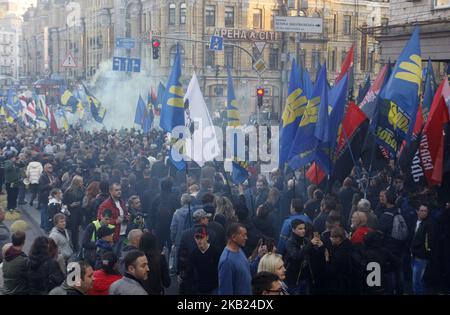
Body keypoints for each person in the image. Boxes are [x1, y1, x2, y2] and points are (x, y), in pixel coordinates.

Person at [184, 226, 221, 295]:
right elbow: (189, 272)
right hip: (199, 289)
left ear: (207, 237)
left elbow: (221, 270)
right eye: (197, 238)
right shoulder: (194, 254)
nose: (199, 240)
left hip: (214, 288)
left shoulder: (216, 252)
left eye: (201, 237)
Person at [218, 223, 252, 295]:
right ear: (233, 237)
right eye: (243, 235)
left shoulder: (239, 250)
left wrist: (258, 257)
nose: (246, 238)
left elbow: (246, 270)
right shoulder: (226, 262)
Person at [97, 183, 130, 255]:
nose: (119, 191)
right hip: (113, 236)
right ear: (110, 191)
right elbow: (101, 220)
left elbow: (125, 214)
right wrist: (115, 221)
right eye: (116, 190)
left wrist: (127, 217)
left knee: (122, 258)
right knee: (112, 257)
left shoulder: (122, 202)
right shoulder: (105, 204)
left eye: (120, 190)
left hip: (124, 234)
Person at [411, 204, 434, 295]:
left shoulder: (429, 224)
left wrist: (424, 252)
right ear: (417, 211)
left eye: (425, 211)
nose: (423, 212)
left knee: (416, 281)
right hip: (413, 255)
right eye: (421, 210)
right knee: (418, 281)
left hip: (421, 257)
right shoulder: (414, 222)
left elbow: (429, 241)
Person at [324, 227, 353, 294]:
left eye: (331, 237)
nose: (330, 238)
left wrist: (327, 259)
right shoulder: (348, 244)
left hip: (339, 284)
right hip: (348, 280)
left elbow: (331, 270)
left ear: (338, 238)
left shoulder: (339, 254)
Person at [63, 175, 85, 252]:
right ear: (77, 182)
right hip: (72, 213)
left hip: (79, 212)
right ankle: (75, 245)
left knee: (77, 229)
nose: (82, 183)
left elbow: (84, 199)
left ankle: (75, 244)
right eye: (81, 181)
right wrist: (70, 205)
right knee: (73, 230)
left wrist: (81, 203)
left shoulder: (82, 189)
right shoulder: (68, 191)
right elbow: (63, 204)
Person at [38, 163, 59, 232]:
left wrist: (56, 182)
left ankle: (43, 225)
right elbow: (41, 188)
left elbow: (57, 182)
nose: (51, 168)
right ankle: (46, 228)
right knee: (45, 212)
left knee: (46, 212)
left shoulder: (54, 174)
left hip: (52, 196)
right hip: (45, 196)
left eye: (51, 167)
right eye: (49, 167)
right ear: (45, 169)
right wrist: (49, 185)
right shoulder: (42, 176)